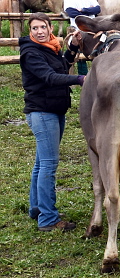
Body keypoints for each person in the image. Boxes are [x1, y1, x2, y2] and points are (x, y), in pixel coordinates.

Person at [20, 14, 85, 232]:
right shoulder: (31, 52)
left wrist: (73, 48)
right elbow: (49, 77)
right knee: (49, 164)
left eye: (43, 27)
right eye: (35, 28)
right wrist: (80, 79)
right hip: (42, 111)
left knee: (42, 163)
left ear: (50, 28)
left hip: (55, 109)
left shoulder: (51, 47)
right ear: (30, 30)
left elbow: (62, 67)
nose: (39, 31)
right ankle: (48, 219)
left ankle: (37, 208)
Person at [62, 0, 101, 75]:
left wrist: (82, 10)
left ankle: (97, 73)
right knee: (78, 50)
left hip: (93, 27)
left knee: (99, 48)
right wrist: (89, 11)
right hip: (78, 27)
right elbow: (71, 12)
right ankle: (83, 75)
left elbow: (97, 9)